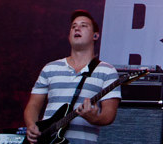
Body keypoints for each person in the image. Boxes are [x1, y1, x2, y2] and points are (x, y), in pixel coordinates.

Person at [23, 10, 121, 144]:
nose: (77, 28)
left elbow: (109, 115)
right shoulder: (50, 68)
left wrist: (94, 118)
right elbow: (33, 105)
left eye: (83, 25)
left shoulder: (107, 71)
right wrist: (31, 125)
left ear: (95, 35)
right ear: (69, 36)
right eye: (73, 26)